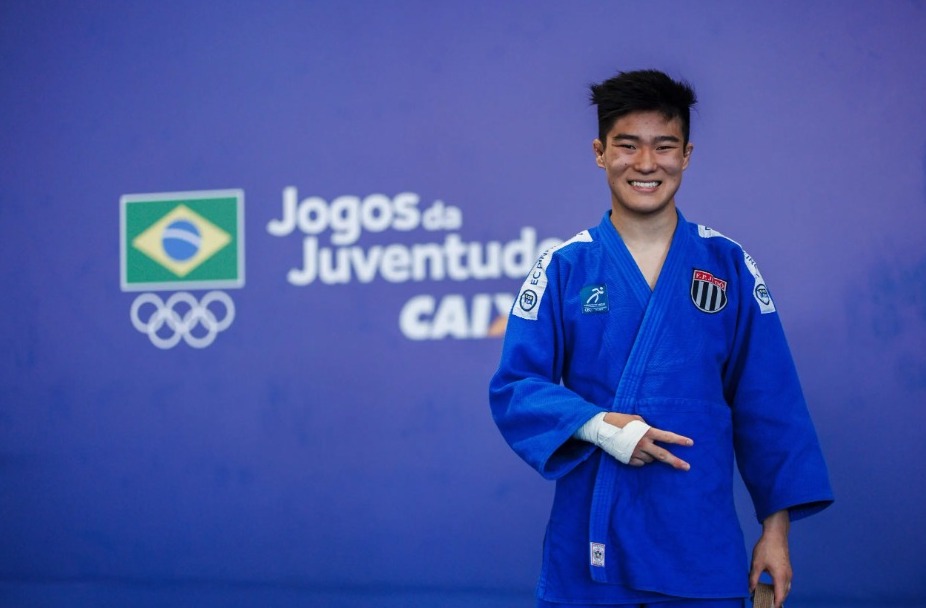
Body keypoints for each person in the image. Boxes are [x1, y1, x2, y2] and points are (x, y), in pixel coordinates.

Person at [489, 69, 833, 608]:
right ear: (600, 153)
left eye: (664, 146)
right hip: (591, 551)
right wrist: (598, 425)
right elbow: (516, 386)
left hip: (700, 546)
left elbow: (770, 403)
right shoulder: (564, 266)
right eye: (627, 146)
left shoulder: (727, 264)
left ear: (686, 155)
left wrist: (776, 532)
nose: (646, 164)